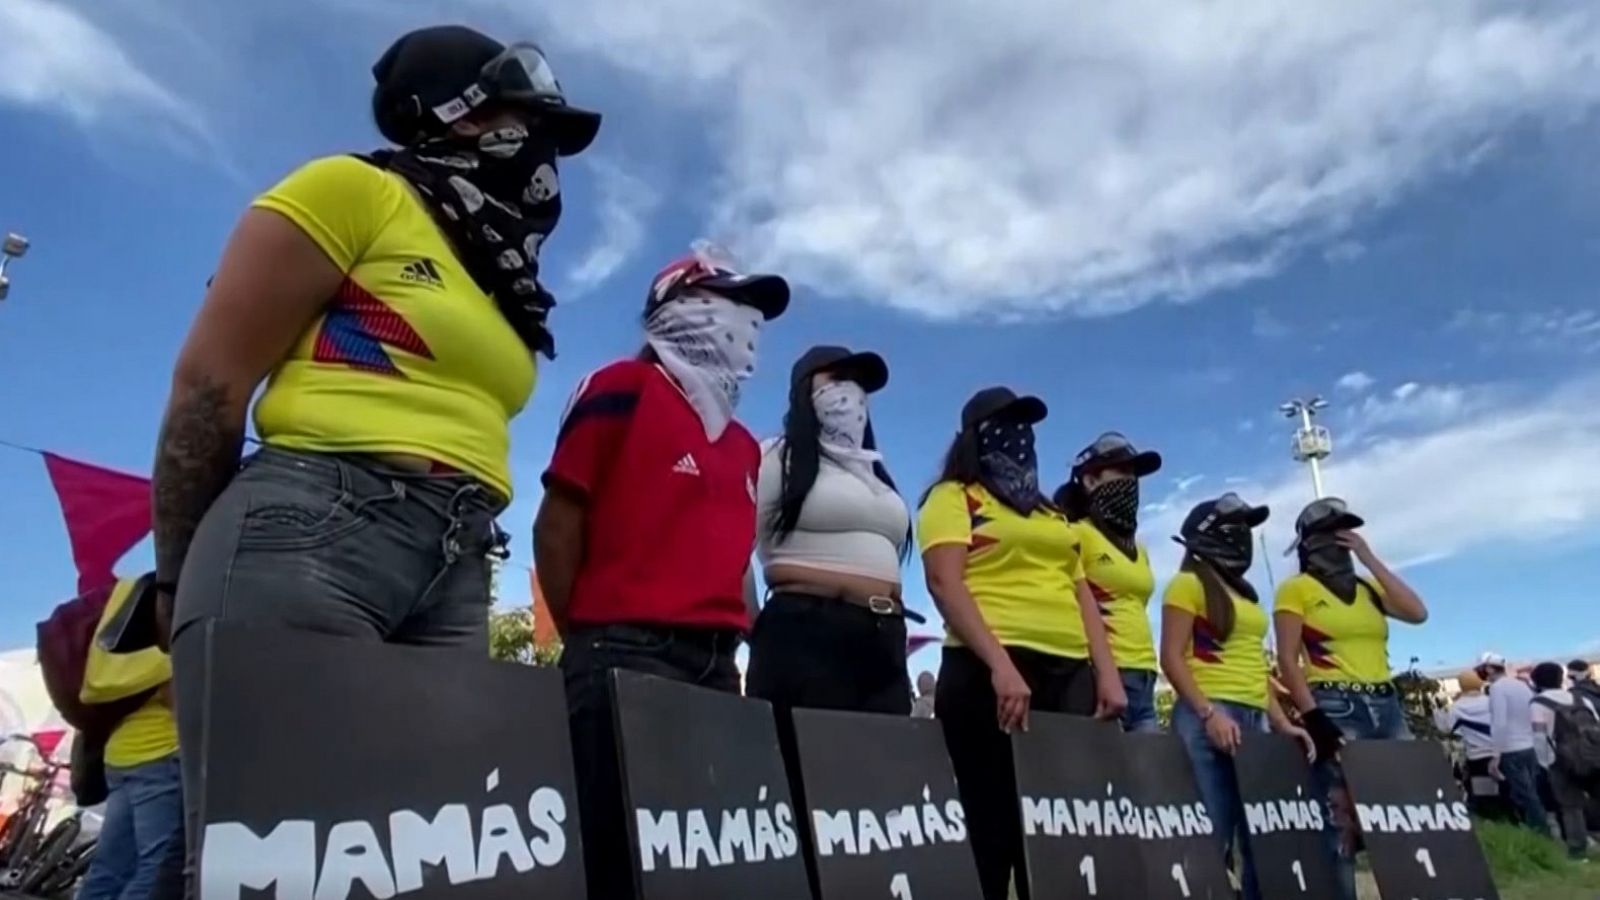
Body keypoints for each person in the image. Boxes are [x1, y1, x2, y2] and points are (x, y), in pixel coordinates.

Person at [151, 24, 599, 886]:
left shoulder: (493, 273)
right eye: (517, 115)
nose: (540, 148)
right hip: (312, 530)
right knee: (284, 859)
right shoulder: (351, 190)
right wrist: (175, 578)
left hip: (460, 559)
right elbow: (209, 385)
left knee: (429, 861)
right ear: (448, 110)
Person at [533, 247, 789, 899]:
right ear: (678, 306)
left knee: (698, 859)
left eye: (751, 314)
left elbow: (732, 562)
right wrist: (590, 637)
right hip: (622, 651)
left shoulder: (742, 445)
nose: (744, 326)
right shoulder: (619, 387)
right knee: (612, 857)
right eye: (729, 304)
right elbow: (557, 525)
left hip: (714, 665)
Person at [918, 387, 1125, 900]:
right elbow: (945, 583)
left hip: (1069, 672)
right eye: (1008, 423)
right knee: (989, 826)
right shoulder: (953, 498)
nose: (1021, 435)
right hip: (987, 668)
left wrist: (1107, 672)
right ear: (976, 436)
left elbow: (1082, 596)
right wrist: (1000, 664)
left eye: (1026, 425)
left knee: (1058, 828)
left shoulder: (1055, 517)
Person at [747, 345, 919, 714]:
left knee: (883, 763)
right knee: (804, 763)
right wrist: (755, 628)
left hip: (885, 638)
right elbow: (734, 544)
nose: (852, 391)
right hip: (807, 631)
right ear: (805, 390)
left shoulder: (877, 476)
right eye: (838, 379)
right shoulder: (776, 456)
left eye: (859, 384)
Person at [1271, 497, 1428, 900]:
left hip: (1386, 702)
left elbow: (1417, 612)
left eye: (1345, 531)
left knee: (1405, 810)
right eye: (1330, 533)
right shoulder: (1296, 590)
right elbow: (1287, 658)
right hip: (1336, 702)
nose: (1339, 540)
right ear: (1310, 541)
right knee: (1340, 819)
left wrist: (1368, 557)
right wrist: (1313, 717)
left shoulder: (1368, 590)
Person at [1161, 494, 1314, 900]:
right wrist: (1209, 713)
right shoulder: (1186, 585)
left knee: (1261, 841)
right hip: (1206, 718)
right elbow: (1172, 658)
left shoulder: (1247, 597)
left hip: (1254, 720)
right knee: (1209, 835)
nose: (1245, 535)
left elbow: (1254, 668)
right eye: (1238, 525)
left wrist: (1282, 722)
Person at [78, 576, 184, 900]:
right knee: (158, 869)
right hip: (160, 756)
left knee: (110, 867)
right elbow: (175, 701)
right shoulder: (166, 643)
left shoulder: (126, 601)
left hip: (120, 756)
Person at [1055, 432, 1163, 733]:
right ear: (1090, 481)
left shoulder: (1139, 550)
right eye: (1123, 472)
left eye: (1134, 475)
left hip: (1144, 676)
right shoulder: (1076, 534)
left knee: (1149, 778)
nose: (1131, 482)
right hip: (1102, 676)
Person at [1531, 661, 1600, 858]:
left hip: (1562, 760)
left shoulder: (1539, 703)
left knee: (1572, 807)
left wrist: (1544, 763)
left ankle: (1578, 852)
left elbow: (1539, 736)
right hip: (1593, 755)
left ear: (1536, 681)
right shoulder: (1579, 699)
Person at [1481, 653, 1549, 835]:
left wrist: (1495, 755)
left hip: (1511, 749)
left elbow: (1499, 722)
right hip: (1529, 746)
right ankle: (1544, 830)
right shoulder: (1522, 686)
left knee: (1524, 796)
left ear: (1488, 668)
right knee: (1533, 793)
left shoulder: (1497, 689)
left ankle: (1542, 836)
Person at [1434, 670, 1501, 817]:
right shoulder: (1491, 701)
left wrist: (1438, 709)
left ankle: (1494, 823)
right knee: (1505, 795)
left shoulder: (1458, 707)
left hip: (1478, 757)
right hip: (1501, 753)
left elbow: (1445, 728)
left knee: (1486, 797)